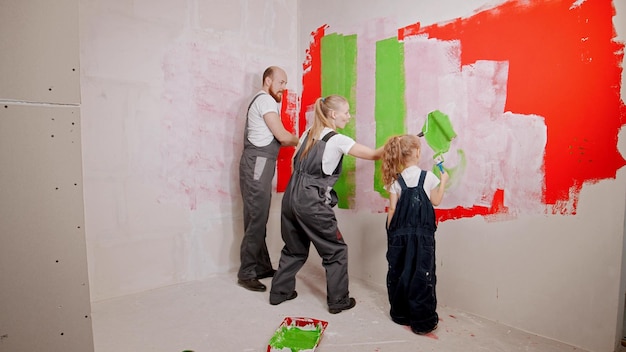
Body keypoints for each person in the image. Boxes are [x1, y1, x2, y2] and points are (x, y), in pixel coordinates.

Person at [269, 94, 384, 314]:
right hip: (310, 201)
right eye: (346, 112)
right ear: (333, 114)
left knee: (294, 248)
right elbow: (374, 155)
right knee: (335, 250)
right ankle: (338, 301)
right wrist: (396, 144)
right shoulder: (338, 140)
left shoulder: (307, 134)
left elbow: (297, 167)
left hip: (291, 196)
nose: (349, 117)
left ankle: (279, 293)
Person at [238, 66, 299, 292]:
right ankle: (246, 273)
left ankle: (261, 266)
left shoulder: (266, 101)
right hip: (257, 164)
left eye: (285, 83)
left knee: (259, 216)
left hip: (261, 164)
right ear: (267, 81)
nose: (284, 87)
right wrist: (302, 141)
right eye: (281, 82)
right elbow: (282, 137)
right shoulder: (264, 100)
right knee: (256, 217)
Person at [380, 134, 449, 335]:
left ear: (399, 156)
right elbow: (435, 201)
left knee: (400, 273)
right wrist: (443, 180)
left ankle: (400, 314)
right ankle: (423, 322)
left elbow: (391, 210)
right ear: (418, 153)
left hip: (399, 237)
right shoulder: (428, 177)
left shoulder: (395, 182)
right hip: (423, 237)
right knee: (422, 276)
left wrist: (392, 235)